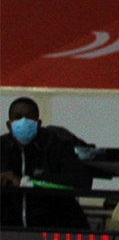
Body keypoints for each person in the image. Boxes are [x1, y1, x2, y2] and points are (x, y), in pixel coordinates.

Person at [0, 97, 92, 231]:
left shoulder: (57, 145)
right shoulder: (2, 147)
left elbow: (81, 181)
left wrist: (26, 182)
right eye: (18, 117)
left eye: (29, 117)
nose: (23, 121)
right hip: (10, 230)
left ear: (38, 123)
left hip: (56, 228)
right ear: (9, 125)